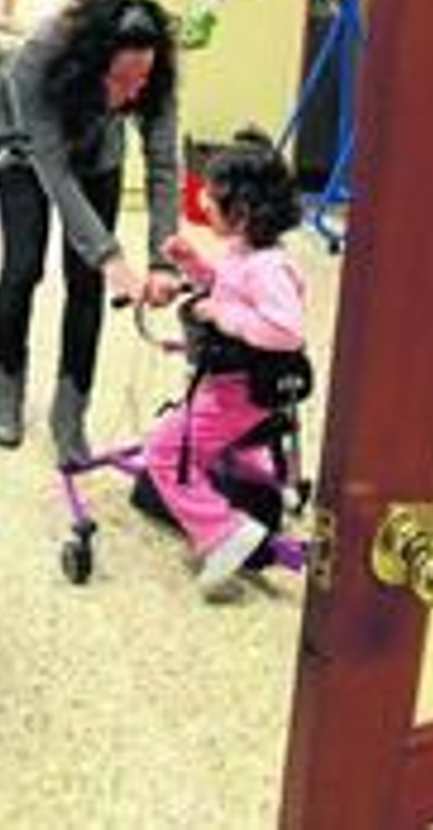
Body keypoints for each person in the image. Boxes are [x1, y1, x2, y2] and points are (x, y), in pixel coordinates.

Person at [0, 0, 183, 462]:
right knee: (22, 269)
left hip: (98, 159)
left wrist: (164, 257)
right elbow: (50, 167)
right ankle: (7, 386)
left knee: (86, 283)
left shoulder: (152, 72)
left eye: (142, 80)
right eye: (121, 80)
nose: (132, 94)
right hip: (23, 154)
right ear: (91, 63)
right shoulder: (38, 58)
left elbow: (162, 164)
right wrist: (111, 255)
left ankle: (70, 411)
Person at [142, 128, 306, 601]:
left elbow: (284, 330)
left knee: (164, 451)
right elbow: (225, 284)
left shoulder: (269, 267)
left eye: (213, 199)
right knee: (232, 446)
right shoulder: (244, 253)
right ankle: (274, 490)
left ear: (246, 210)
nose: (204, 204)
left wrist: (222, 315)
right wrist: (195, 265)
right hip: (236, 385)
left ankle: (222, 533)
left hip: (239, 387)